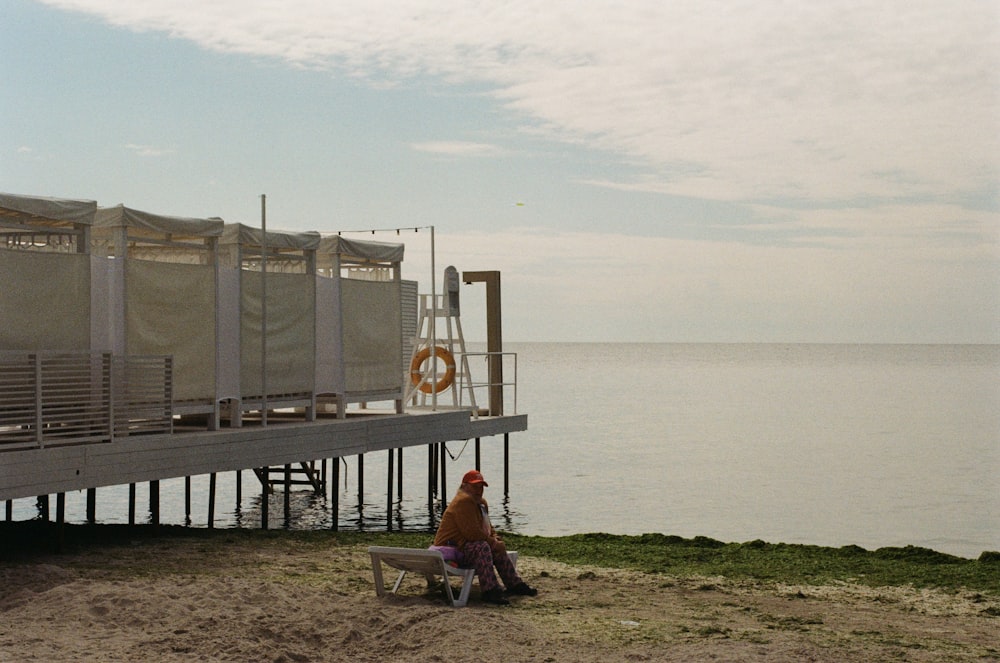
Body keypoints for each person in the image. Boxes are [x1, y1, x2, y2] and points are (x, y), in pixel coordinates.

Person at [432, 469, 538, 605]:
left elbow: (488, 528)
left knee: (492, 545)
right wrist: (493, 543)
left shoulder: (480, 503)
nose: (479, 490)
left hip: (463, 548)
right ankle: (490, 589)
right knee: (482, 547)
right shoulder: (463, 501)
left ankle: (514, 584)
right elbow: (472, 534)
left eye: (481, 487)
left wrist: (495, 539)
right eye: (475, 486)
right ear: (464, 486)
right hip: (451, 550)